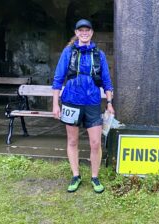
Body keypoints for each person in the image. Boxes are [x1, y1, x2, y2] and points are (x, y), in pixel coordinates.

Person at [52, 19, 115, 193]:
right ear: (77, 33)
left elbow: (107, 82)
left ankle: (95, 177)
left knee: (95, 143)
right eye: (81, 30)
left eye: (87, 30)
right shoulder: (68, 52)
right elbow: (58, 79)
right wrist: (55, 104)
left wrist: (109, 103)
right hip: (71, 101)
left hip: (93, 103)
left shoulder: (99, 54)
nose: (84, 33)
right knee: (72, 140)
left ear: (92, 33)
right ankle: (76, 175)